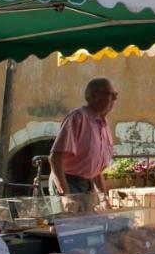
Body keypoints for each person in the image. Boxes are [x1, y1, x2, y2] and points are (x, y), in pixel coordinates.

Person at [49, 76, 116, 212]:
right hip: (68, 181)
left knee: (87, 227)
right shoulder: (78, 118)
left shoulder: (102, 123)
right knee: (70, 227)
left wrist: (103, 197)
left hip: (87, 183)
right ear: (95, 96)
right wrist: (66, 195)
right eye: (112, 95)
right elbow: (55, 158)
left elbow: (95, 167)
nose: (115, 100)